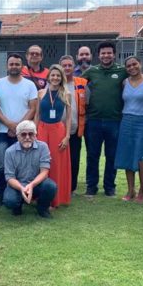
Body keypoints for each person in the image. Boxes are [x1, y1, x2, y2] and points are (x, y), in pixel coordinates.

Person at [80, 41, 126, 198]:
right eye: (103, 53)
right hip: (93, 120)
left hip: (114, 120)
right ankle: (91, 187)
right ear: (98, 55)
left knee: (111, 155)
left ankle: (109, 187)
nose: (106, 56)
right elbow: (76, 85)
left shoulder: (122, 71)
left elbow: (137, 78)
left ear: (114, 54)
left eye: (109, 53)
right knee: (92, 155)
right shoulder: (91, 72)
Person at [0, 53, 38, 206]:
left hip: (25, 134)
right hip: (2, 132)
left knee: (25, 164)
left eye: (17, 64)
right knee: (2, 166)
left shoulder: (30, 85)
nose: (14, 67)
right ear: (7, 66)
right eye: (11, 64)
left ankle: (24, 193)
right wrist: (10, 125)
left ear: (22, 66)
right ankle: (1, 195)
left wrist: (18, 127)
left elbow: (33, 108)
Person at [115, 56, 143, 203]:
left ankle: (142, 191)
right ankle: (130, 190)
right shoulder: (124, 82)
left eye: (135, 64)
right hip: (126, 121)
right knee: (127, 157)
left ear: (141, 64)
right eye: (128, 66)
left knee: (141, 159)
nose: (132, 67)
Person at [35, 65, 72, 208]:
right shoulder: (41, 93)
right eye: (53, 75)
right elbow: (37, 115)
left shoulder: (66, 94)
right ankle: (39, 196)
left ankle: (55, 199)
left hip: (58, 130)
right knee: (41, 163)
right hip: (42, 129)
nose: (55, 78)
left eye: (58, 75)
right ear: (48, 77)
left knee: (56, 164)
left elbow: (68, 117)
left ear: (61, 77)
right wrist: (34, 132)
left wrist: (67, 136)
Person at [3, 120, 57, 218]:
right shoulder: (9, 152)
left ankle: (42, 208)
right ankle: (17, 206)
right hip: (18, 185)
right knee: (9, 200)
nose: (27, 137)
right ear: (17, 136)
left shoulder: (43, 147)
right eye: (23, 134)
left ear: (35, 135)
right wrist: (21, 188)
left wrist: (31, 185)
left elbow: (44, 172)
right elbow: (9, 177)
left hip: (37, 184)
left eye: (31, 134)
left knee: (51, 186)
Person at [60, 55, 87, 195]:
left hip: (75, 129)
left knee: (74, 159)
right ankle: (59, 185)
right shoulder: (55, 83)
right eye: (64, 65)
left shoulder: (81, 82)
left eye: (69, 65)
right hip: (58, 130)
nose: (67, 68)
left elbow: (88, 102)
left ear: (73, 66)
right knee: (58, 159)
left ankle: (72, 188)